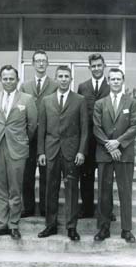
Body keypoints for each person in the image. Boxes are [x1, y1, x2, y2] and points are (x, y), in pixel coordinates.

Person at [0, 65, 37, 240]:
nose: (8, 81)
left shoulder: (27, 99)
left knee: (15, 188)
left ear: (17, 80)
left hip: (17, 148)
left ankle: (13, 225)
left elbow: (32, 125)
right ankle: (1, 224)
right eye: (5, 78)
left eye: (11, 78)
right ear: (1, 80)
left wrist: (21, 140)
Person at [37, 65, 88, 241]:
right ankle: (50, 226)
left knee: (72, 190)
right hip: (51, 151)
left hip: (71, 152)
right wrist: (41, 152)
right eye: (61, 76)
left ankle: (71, 227)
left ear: (71, 79)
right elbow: (41, 129)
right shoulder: (46, 100)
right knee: (50, 189)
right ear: (56, 78)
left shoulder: (80, 100)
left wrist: (81, 151)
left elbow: (84, 130)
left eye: (67, 76)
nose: (64, 79)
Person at [93, 68, 136, 243]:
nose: (115, 82)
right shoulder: (100, 103)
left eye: (118, 79)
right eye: (112, 79)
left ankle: (126, 229)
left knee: (125, 192)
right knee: (103, 193)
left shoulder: (132, 102)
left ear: (123, 81)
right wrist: (110, 146)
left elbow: (134, 127)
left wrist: (118, 142)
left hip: (125, 154)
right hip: (105, 154)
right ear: (108, 81)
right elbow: (96, 129)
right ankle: (104, 229)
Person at [77, 53, 115, 221]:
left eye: (99, 65)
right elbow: (80, 113)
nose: (97, 68)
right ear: (89, 68)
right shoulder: (82, 87)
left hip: (106, 139)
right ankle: (86, 209)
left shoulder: (112, 86)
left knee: (106, 178)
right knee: (86, 176)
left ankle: (107, 210)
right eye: (93, 66)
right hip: (87, 140)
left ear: (104, 65)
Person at [20, 50, 58, 218]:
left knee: (46, 175)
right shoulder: (25, 86)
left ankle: (44, 208)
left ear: (47, 64)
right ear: (33, 64)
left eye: (44, 61)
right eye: (38, 61)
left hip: (47, 137)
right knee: (27, 174)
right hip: (28, 137)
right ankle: (28, 207)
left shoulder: (55, 85)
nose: (41, 64)